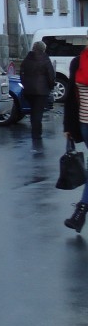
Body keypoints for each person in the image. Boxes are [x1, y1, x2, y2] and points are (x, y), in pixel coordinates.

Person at [63, 46, 88, 233]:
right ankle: (81, 211)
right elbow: (71, 97)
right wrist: (68, 126)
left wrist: (69, 126)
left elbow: (72, 95)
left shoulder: (79, 61)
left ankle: (80, 211)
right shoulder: (77, 62)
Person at [20, 39, 56, 144]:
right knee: (37, 113)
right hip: (42, 91)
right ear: (44, 49)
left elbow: (21, 73)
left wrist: (25, 85)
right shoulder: (45, 59)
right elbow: (50, 75)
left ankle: (35, 132)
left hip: (28, 90)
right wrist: (50, 87)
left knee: (33, 111)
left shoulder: (27, 59)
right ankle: (37, 134)